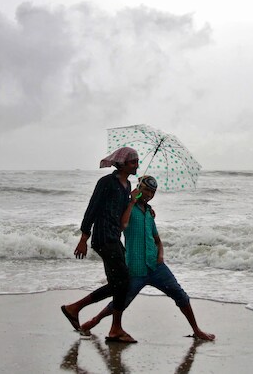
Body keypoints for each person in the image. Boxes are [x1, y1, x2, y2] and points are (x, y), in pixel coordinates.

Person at [80, 175, 215, 341]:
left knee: (180, 295)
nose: (149, 194)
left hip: (156, 267)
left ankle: (197, 330)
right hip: (135, 268)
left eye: (153, 192)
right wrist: (131, 202)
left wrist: (160, 255)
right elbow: (123, 226)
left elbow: (157, 240)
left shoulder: (150, 213)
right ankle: (94, 321)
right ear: (138, 188)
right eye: (146, 190)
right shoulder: (128, 208)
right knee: (121, 302)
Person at [61, 147, 140, 343]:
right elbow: (92, 209)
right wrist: (83, 239)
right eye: (133, 162)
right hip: (103, 238)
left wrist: (135, 202)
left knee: (120, 283)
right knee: (122, 282)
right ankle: (115, 329)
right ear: (122, 164)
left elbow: (123, 220)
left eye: (137, 161)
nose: (136, 165)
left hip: (114, 237)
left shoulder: (127, 185)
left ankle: (74, 308)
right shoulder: (106, 182)